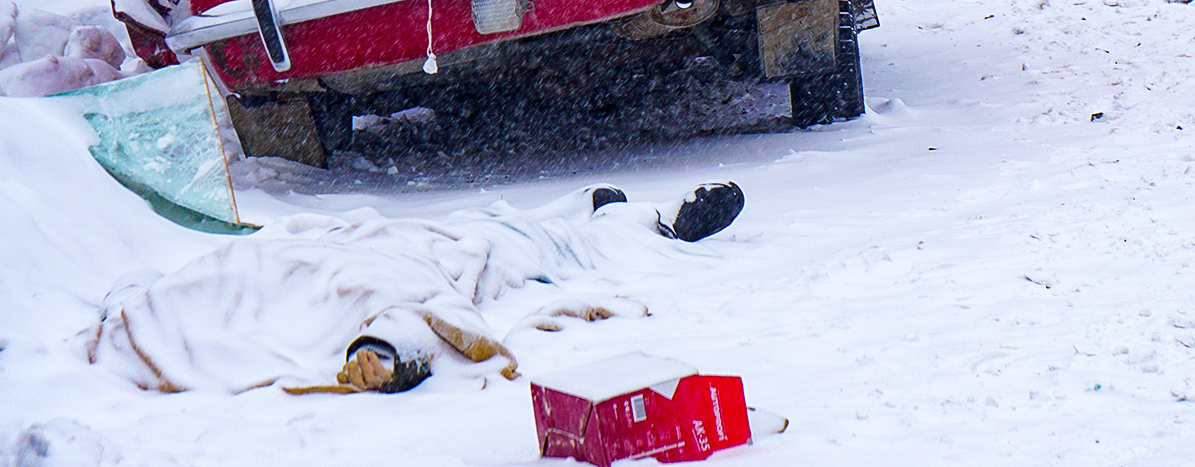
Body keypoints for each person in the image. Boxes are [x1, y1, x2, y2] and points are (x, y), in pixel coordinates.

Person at [86, 181, 746, 394]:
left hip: (351, 247)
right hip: (376, 262)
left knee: (491, 240)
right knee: (507, 247)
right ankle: (635, 222)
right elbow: (413, 308)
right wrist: (388, 349)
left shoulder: (147, 307)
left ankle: (615, 215)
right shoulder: (152, 308)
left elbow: (127, 291)